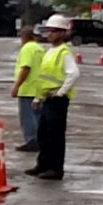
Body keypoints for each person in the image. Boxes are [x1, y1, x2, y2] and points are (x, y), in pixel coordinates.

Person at [30, 13, 80, 180]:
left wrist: (60, 92)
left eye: (54, 31)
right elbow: (44, 79)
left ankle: (56, 169)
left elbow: (73, 74)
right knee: (43, 134)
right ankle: (43, 164)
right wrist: (38, 98)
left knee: (55, 135)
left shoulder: (64, 52)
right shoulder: (50, 51)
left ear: (63, 33)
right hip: (47, 98)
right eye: (48, 31)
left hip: (57, 100)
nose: (50, 34)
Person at [10, 25, 43, 151]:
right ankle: (39, 140)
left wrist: (17, 86)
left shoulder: (27, 48)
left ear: (24, 37)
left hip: (28, 88)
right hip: (39, 88)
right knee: (37, 116)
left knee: (27, 117)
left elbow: (26, 68)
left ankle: (31, 141)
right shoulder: (39, 48)